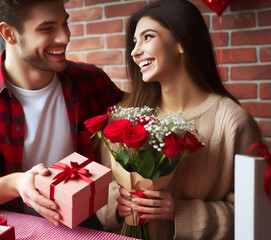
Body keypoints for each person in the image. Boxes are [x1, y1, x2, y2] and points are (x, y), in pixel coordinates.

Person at [0, 0, 123, 228]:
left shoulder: (92, 81)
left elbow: (141, 115)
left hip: (89, 230)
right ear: (9, 33)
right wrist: (16, 184)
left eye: (65, 24)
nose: (64, 37)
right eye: (47, 28)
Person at [96, 0, 261, 239]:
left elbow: (254, 216)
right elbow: (102, 192)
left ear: (182, 42)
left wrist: (179, 211)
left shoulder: (233, 122)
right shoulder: (124, 116)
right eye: (134, 42)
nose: (135, 52)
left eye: (148, 37)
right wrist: (117, 205)